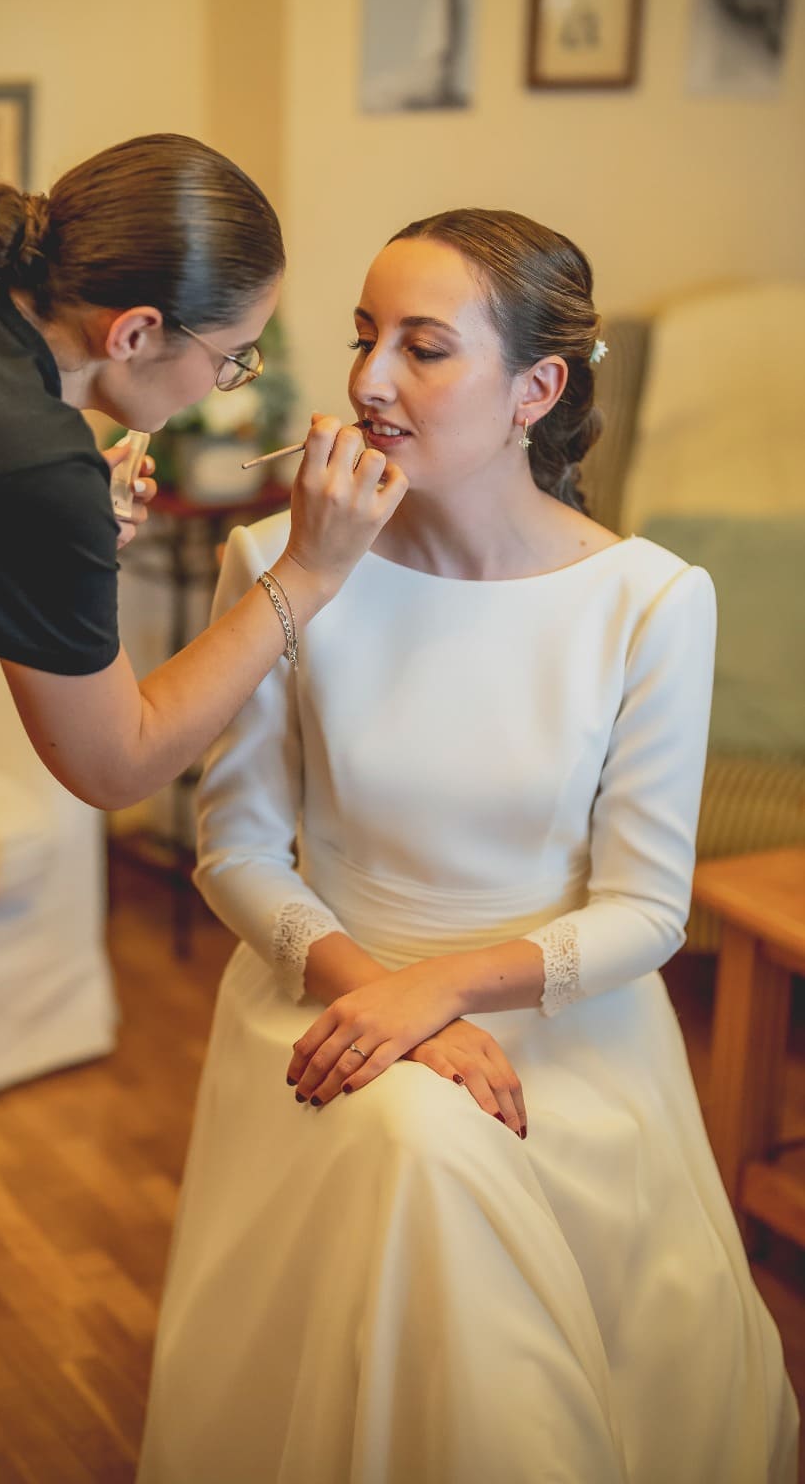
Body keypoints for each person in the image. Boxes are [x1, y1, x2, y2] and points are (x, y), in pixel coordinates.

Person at [0, 131, 407, 1482]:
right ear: (138, 329)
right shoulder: (22, 466)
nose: (237, 382)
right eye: (231, 359)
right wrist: (314, 576)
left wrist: (52, 523)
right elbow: (116, 764)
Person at [138, 208, 798, 1483]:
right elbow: (236, 852)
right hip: (320, 999)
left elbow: (648, 910)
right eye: (363, 338)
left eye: (424, 348)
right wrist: (386, 1006)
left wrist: (435, 991)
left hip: (562, 1021)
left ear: (535, 390)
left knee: (444, 1148)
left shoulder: (649, 600)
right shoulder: (275, 563)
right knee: (421, 1142)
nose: (370, 381)